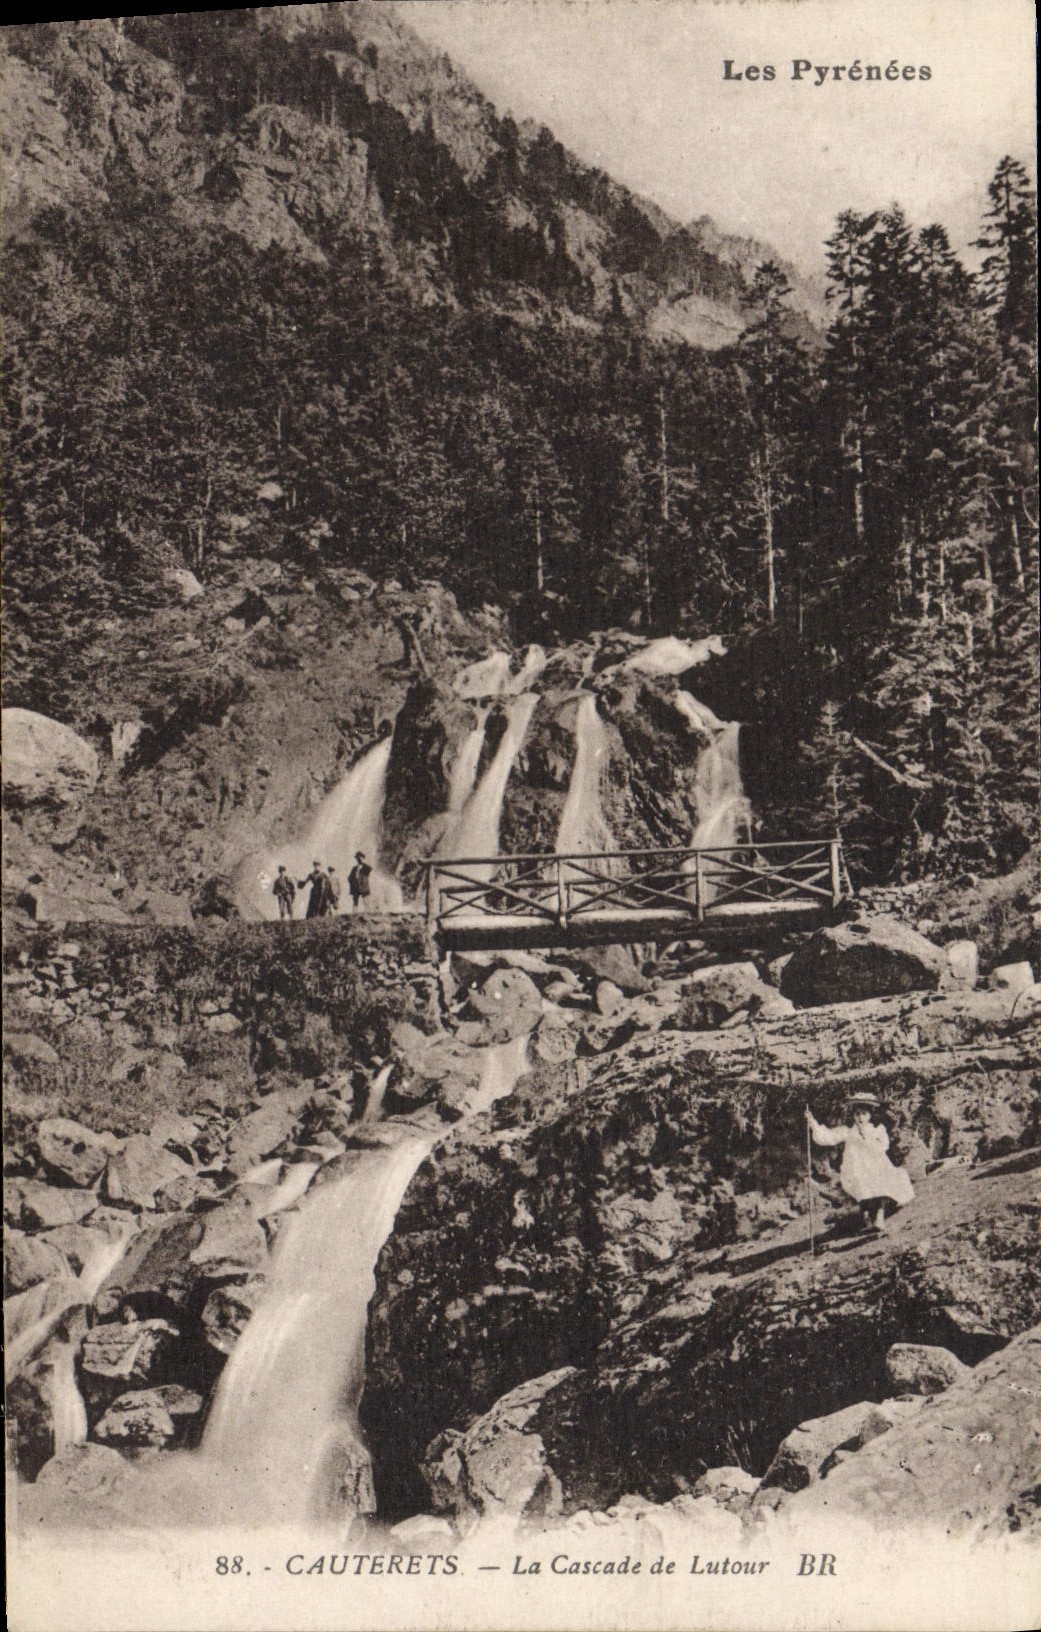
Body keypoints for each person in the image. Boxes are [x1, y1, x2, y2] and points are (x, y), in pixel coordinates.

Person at [806, 1093, 914, 1233]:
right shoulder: (848, 1131)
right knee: (863, 1191)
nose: (860, 1117)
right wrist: (812, 1121)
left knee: (882, 1187)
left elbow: (883, 1146)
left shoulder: (877, 1130)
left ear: (869, 1115)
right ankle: (867, 1220)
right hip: (856, 1169)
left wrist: (866, 1138)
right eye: (857, 1114)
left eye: (864, 1114)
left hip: (876, 1166)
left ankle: (879, 1220)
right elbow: (827, 1137)